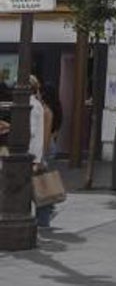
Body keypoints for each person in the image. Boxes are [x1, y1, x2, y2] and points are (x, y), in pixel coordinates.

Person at [29, 76, 55, 229]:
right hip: (39, 152)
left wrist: (40, 157)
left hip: (35, 153)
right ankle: (44, 217)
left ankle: (44, 218)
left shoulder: (34, 107)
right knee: (40, 186)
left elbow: (34, 133)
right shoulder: (42, 107)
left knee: (39, 186)